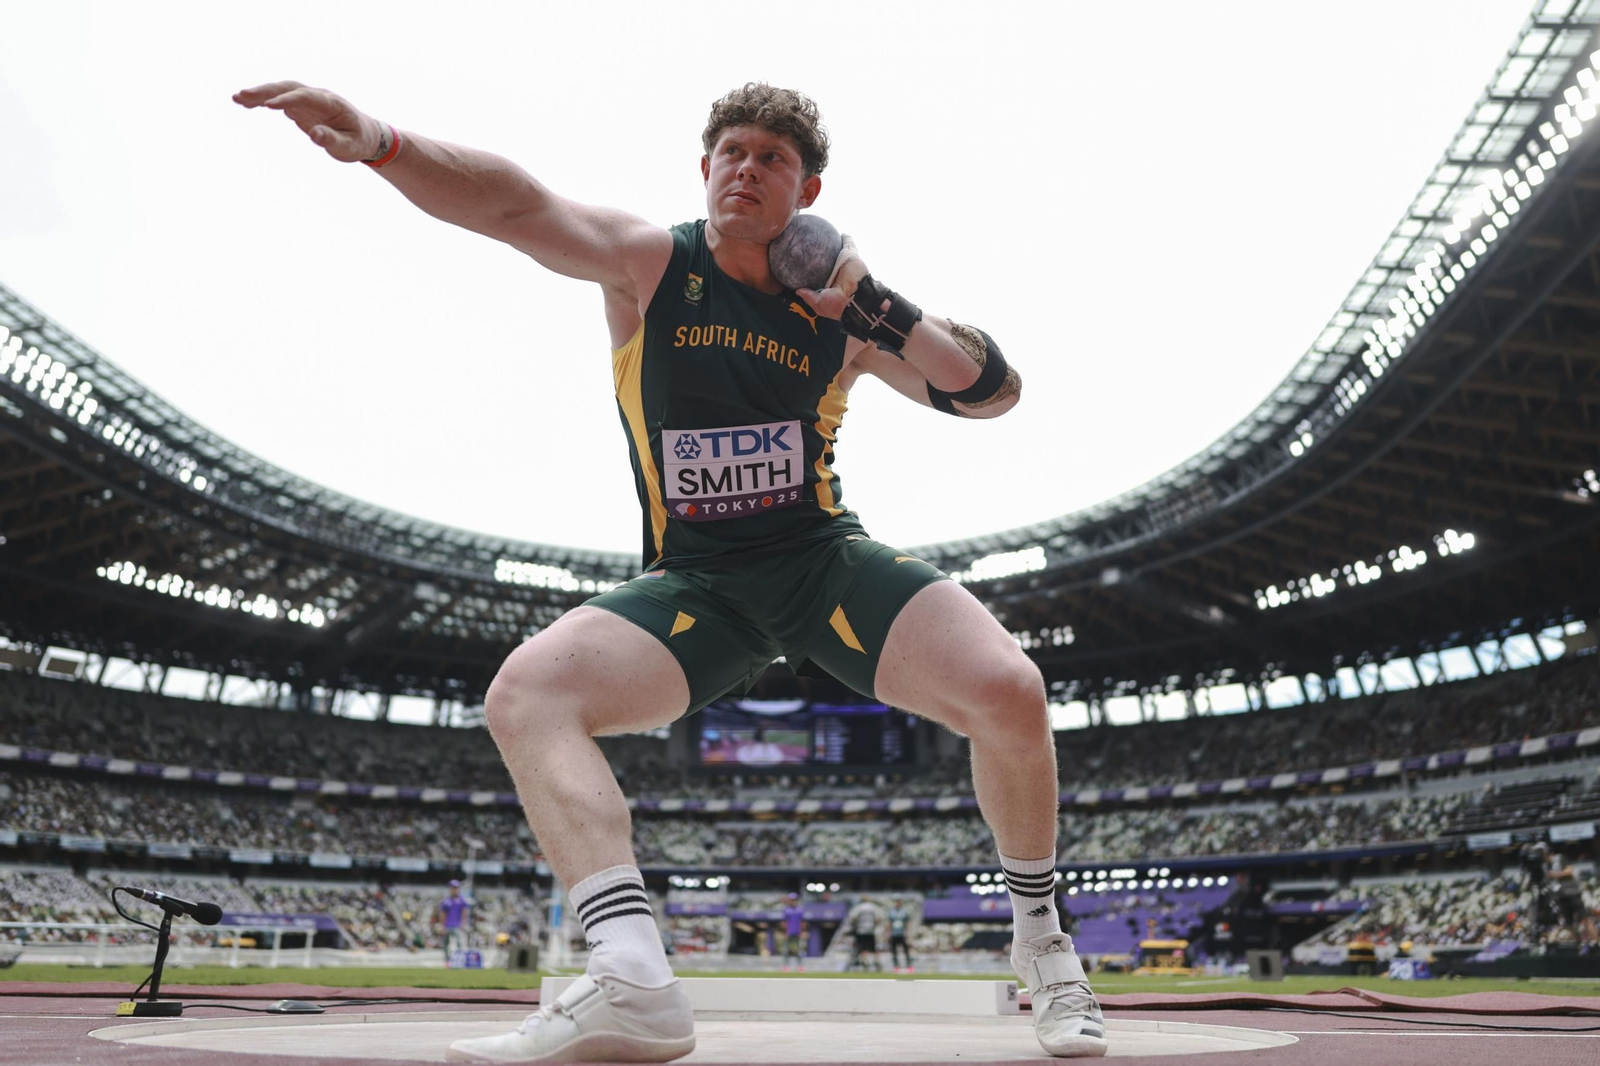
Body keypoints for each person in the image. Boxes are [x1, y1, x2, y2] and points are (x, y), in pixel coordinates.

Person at [235, 78, 1105, 1062]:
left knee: (1009, 689)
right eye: (731, 151)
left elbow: (988, 394)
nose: (747, 167)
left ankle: (1043, 950)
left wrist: (871, 302)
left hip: (820, 558)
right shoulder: (652, 263)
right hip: (698, 584)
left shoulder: (842, 314)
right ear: (704, 169)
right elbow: (520, 208)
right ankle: (632, 977)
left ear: (805, 190)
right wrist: (382, 142)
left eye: (771, 158)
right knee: (526, 693)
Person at [435, 880, 474, 964]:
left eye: (456, 888)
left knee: (459, 943)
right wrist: (442, 925)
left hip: (457, 926)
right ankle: (447, 961)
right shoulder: (446, 901)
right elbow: (442, 914)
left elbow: (464, 913)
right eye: (453, 888)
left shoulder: (461, 900)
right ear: (450, 889)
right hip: (447, 926)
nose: (455, 890)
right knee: (446, 945)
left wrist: (463, 924)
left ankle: (459, 960)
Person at [846, 895, 884, 972]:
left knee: (863, 949)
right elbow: (879, 918)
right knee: (873, 949)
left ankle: (865, 964)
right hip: (870, 931)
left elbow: (853, 918)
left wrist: (857, 925)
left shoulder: (858, 907)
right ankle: (877, 964)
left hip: (861, 931)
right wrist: (873, 925)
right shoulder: (874, 907)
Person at [887, 897, 914, 973]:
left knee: (906, 951)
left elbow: (907, 923)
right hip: (894, 934)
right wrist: (888, 933)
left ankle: (909, 966)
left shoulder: (904, 911)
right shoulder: (891, 911)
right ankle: (896, 966)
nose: (898, 903)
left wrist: (908, 933)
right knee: (894, 951)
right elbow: (889, 923)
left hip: (902, 934)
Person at [781, 892, 807, 972]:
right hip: (789, 933)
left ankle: (800, 966)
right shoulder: (786, 910)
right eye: (791, 900)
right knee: (786, 950)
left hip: (797, 932)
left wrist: (802, 932)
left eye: (794, 900)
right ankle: (785, 966)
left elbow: (802, 923)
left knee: (799, 950)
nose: (793, 901)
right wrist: (785, 932)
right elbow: (784, 923)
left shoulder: (799, 910)